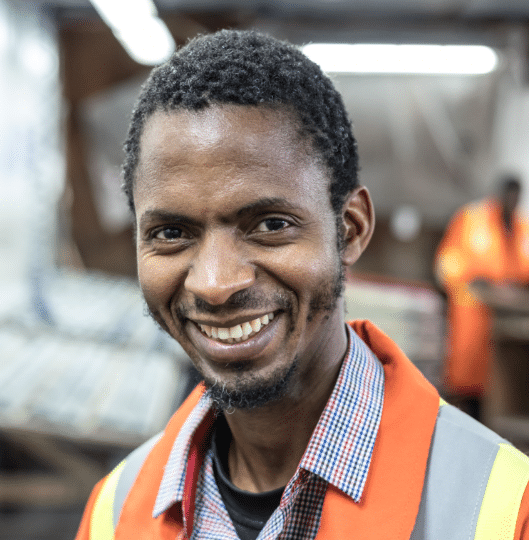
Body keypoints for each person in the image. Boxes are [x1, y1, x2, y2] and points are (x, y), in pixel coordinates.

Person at [76, 31, 529, 540]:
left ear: (350, 228)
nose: (216, 285)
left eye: (270, 225)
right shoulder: (112, 515)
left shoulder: (504, 511)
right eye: (171, 234)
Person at [435, 177, 529, 420]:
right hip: (473, 307)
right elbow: (448, 264)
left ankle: (500, 412)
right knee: (466, 374)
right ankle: (464, 415)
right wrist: (479, 286)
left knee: (501, 374)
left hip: (509, 310)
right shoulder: (472, 219)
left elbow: (521, 267)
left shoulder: (521, 225)